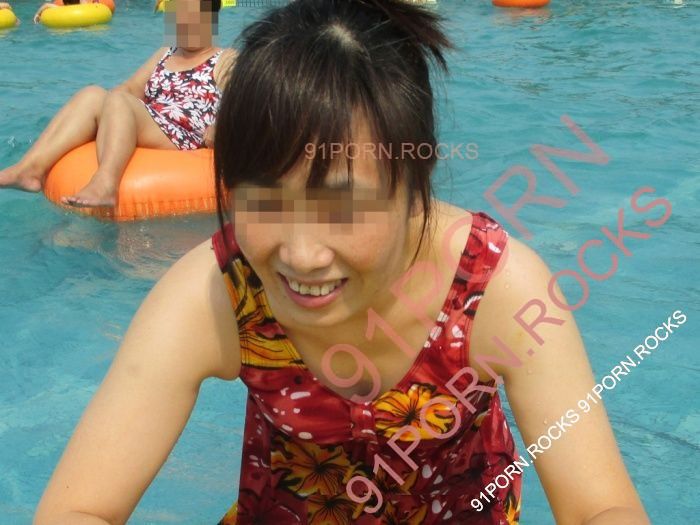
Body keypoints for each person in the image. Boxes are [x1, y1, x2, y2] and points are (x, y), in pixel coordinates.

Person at [33, 1, 651, 524]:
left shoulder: (494, 288)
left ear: (416, 184)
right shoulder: (220, 290)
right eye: (264, 201)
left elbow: (601, 509)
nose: (301, 256)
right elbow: (80, 508)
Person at [0, 0, 236, 208]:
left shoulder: (225, 59)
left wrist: (220, 128)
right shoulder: (166, 53)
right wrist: (104, 110)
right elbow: (131, 88)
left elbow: (241, 106)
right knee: (92, 94)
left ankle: (105, 183)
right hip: (151, 120)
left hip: (184, 135)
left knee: (119, 100)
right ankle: (28, 169)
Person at [33, 0, 99, 24]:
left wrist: (37, 14)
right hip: (85, 22)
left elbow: (46, 5)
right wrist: (96, 3)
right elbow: (93, 7)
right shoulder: (83, 7)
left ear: (65, 3)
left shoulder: (62, 9)